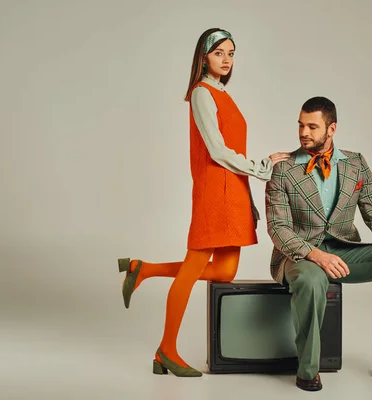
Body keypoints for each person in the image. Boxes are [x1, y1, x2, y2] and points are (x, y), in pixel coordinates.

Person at [117, 28, 289, 377]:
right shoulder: (201, 93)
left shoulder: (223, 93)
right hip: (217, 191)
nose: (226, 59)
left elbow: (230, 152)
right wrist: (263, 167)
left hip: (234, 189)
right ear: (203, 57)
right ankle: (166, 350)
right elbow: (217, 151)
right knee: (194, 266)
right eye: (219, 53)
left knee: (224, 273)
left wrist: (251, 183)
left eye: (231, 53)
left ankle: (144, 269)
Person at [265, 96, 372, 391]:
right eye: (301, 125)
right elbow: (278, 228)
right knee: (313, 279)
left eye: (312, 126)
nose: (304, 132)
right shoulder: (283, 169)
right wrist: (314, 254)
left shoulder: (355, 164)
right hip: (298, 255)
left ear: (332, 129)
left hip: (342, 250)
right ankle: (307, 370)